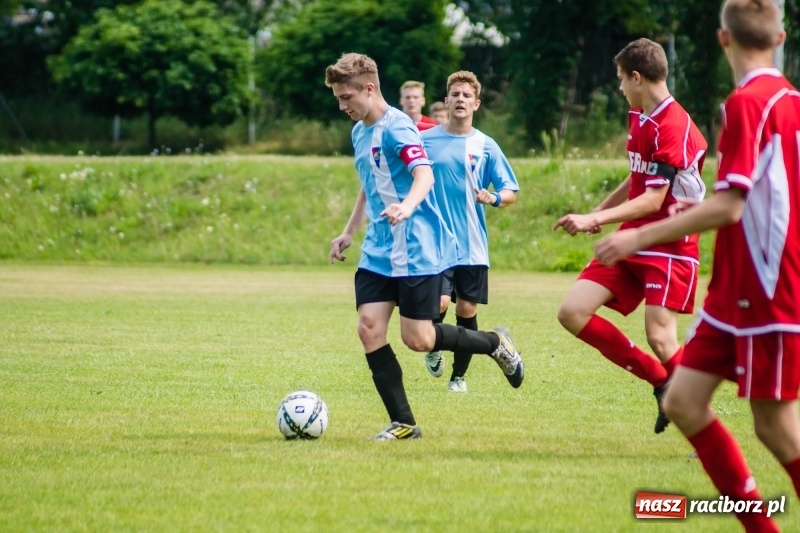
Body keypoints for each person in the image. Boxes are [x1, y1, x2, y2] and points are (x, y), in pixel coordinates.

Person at [596, 1, 800, 531]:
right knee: (684, 402)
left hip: (768, 288)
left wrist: (639, 234)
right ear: (780, 36)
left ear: (722, 40)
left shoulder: (747, 104)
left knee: (776, 429)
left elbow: (730, 203)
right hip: (730, 291)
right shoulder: (789, 101)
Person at [324, 53, 524, 440]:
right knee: (369, 329)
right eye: (337, 98)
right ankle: (404, 424)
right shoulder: (359, 132)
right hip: (379, 250)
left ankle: (496, 344)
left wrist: (408, 205)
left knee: (419, 339)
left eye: (346, 97)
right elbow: (370, 185)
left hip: (416, 247)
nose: (341, 105)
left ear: (369, 88)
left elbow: (424, 175)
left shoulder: (397, 128)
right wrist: (349, 231)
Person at [553, 37, 708, 434]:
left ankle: (701, 425)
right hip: (633, 235)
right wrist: (597, 214)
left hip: (671, 241)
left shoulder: (674, 125)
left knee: (660, 334)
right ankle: (662, 381)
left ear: (637, 77)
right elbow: (638, 178)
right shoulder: (640, 116)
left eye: (621, 79)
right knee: (572, 312)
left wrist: (593, 221)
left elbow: (654, 200)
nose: (620, 88)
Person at [420, 70, 519, 392]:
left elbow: (510, 192)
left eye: (466, 96)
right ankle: (434, 345)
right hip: (435, 242)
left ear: (476, 104)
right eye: (455, 95)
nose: (460, 100)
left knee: (466, 309)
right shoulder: (426, 141)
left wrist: (492, 197)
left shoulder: (486, 145)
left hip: (472, 244)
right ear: (446, 101)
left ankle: (458, 378)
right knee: (439, 304)